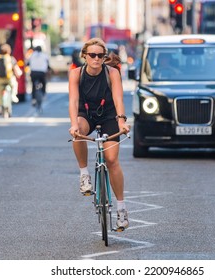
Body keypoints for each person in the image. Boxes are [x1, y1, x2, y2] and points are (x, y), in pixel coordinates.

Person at [68, 38, 130, 229]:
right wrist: (73, 125)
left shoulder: (112, 73)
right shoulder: (76, 74)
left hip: (109, 115)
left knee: (112, 160)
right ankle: (84, 174)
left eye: (100, 55)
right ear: (84, 56)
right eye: (92, 55)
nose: (96, 59)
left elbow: (118, 99)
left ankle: (121, 210)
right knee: (78, 129)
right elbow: (73, 101)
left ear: (104, 57)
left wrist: (121, 121)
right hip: (86, 114)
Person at [0, 43, 22, 115]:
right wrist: (19, 74)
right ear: (9, 51)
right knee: (15, 84)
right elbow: (16, 70)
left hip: (0, 80)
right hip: (9, 79)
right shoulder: (11, 59)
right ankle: (13, 96)